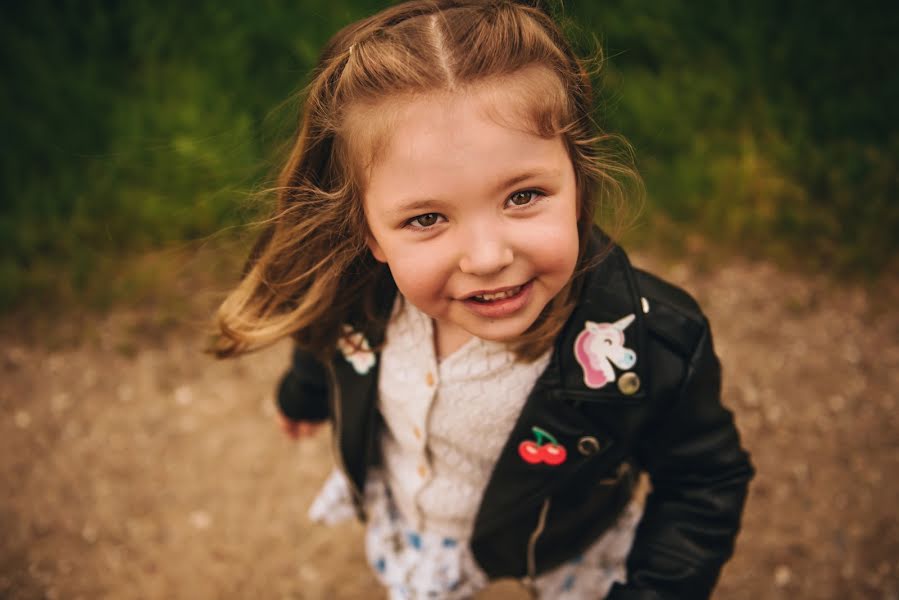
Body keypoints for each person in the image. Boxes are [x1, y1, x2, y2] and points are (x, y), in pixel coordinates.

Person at [213, 1, 754, 598]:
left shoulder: (650, 342)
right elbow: (325, 343)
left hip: (564, 545)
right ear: (367, 231)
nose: (487, 256)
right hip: (422, 534)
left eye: (522, 196)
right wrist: (306, 393)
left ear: (577, 180)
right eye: (425, 217)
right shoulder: (351, 290)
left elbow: (703, 479)